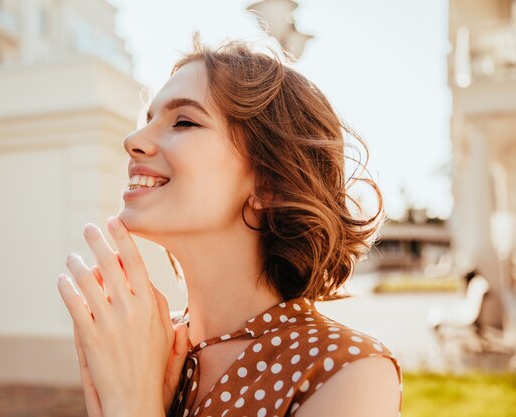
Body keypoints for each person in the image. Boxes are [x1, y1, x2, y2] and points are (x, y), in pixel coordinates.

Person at [57, 34, 402, 417]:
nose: (133, 140)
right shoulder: (138, 343)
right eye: (147, 120)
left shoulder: (347, 373)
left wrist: (132, 406)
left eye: (183, 121)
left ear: (269, 182)